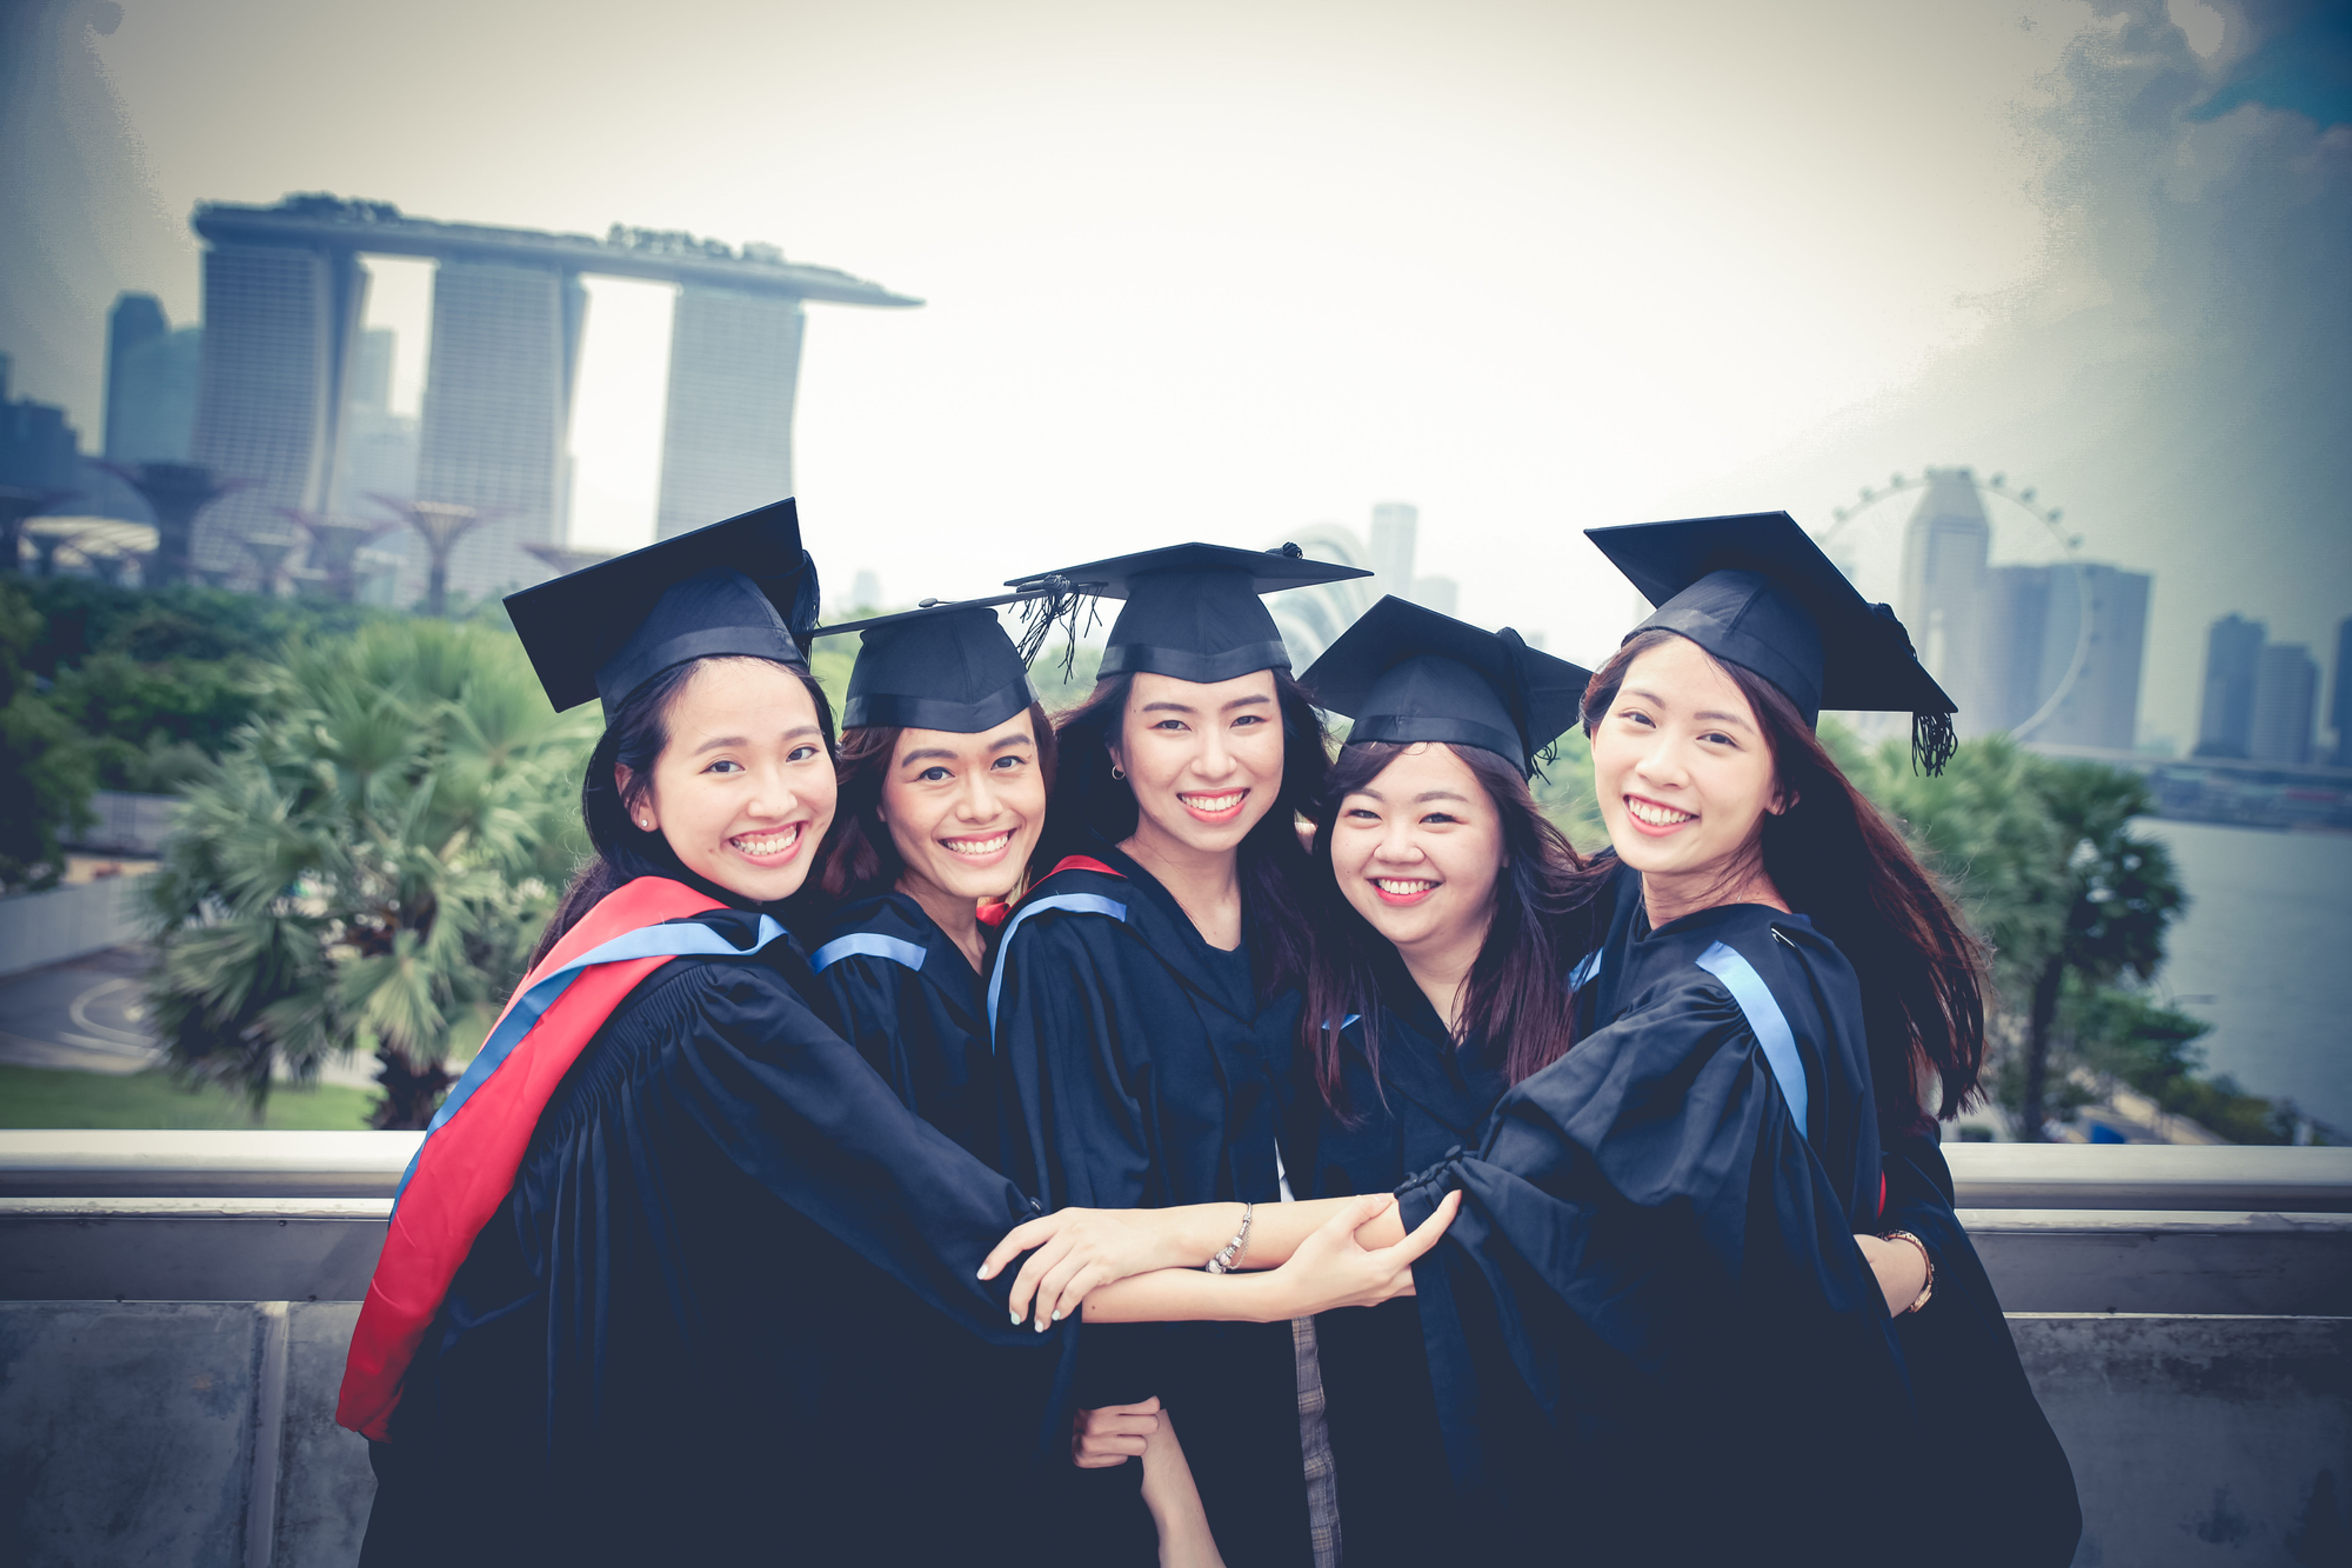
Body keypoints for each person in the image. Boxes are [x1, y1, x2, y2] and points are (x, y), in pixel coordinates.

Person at [990, 513, 2074, 1564]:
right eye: (1641, 720)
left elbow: (1509, 1204)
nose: (1662, 767)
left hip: (1645, 1473)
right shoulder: (1331, 950)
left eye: (1716, 737)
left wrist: (1915, 1257)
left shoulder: (1658, 966)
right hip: (1421, 1463)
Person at [342, 504, 1207, 1565]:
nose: (774, 796)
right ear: (637, 794)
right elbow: (943, 1254)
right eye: (722, 766)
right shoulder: (724, 1006)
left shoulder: (663, 949)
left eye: (799, 752)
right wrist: (1274, 1268)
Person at [987, 541, 1368, 1568]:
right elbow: (1083, 1248)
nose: (1215, 761)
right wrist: (1174, 1505)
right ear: (1116, 746)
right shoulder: (1069, 941)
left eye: (1247, 718)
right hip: (1189, 1429)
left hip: (1351, 1391)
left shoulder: (1314, 900)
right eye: (1171, 724)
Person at [1283, 595, 1609, 1565]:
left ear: (1507, 830)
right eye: (1363, 813)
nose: (1395, 848)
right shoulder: (1309, 999)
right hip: (1396, 1474)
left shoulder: (1606, 974)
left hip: (1595, 1462)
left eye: (1439, 816)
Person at [807, 599, 1060, 1170]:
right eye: (936, 773)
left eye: (1008, 762)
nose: (981, 807)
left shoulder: (1010, 945)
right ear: (876, 796)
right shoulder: (861, 975)